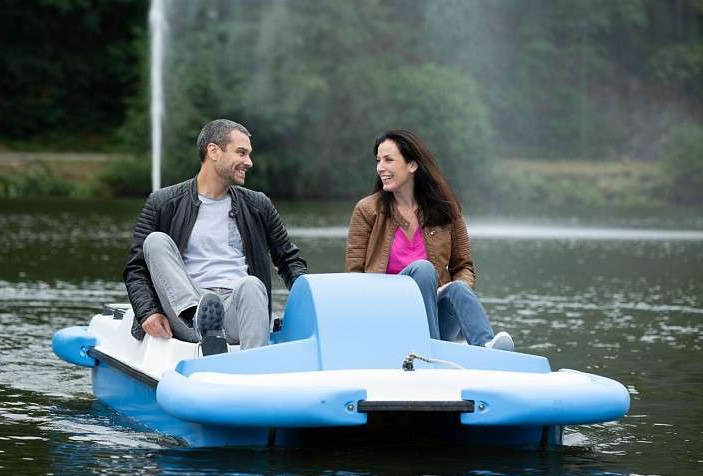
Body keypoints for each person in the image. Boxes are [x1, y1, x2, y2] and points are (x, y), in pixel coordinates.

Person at [124, 118, 307, 354]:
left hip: (236, 309)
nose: (249, 162)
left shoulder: (258, 204)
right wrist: (148, 312)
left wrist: (312, 299)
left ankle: (255, 366)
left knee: (252, 284)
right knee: (155, 241)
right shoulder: (162, 202)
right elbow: (136, 268)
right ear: (213, 151)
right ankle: (196, 316)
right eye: (241, 153)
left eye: (249, 154)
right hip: (183, 312)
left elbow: (289, 260)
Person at [346, 129, 514, 350]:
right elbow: (354, 276)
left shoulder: (446, 210)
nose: (380, 167)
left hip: (435, 316)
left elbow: (463, 266)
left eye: (388, 160)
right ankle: (431, 351)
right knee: (423, 269)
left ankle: (486, 347)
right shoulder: (367, 210)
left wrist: (453, 285)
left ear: (412, 165)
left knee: (458, 289)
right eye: (378, 160)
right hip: (386, 317)